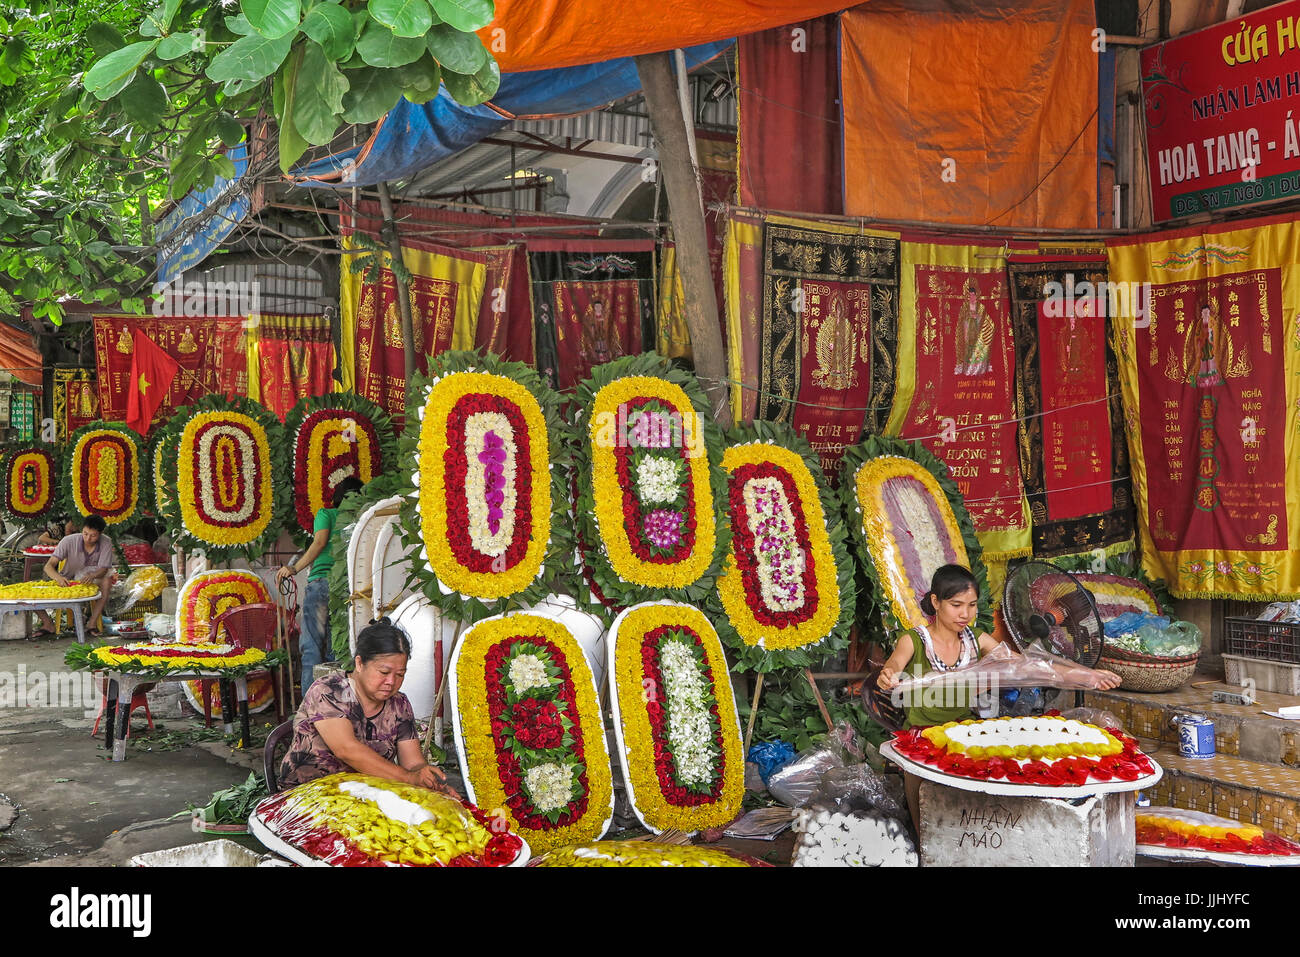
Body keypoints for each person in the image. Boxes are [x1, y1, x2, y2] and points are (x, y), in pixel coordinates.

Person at [877, 564, 1121, 830]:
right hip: (922, 733)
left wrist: (1086, 676)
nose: (965, 614)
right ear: (935, 602)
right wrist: (888, 675)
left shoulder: (976, 639)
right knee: (921, 779)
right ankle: (921, 835)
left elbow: (1027, 667)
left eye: (971, 605)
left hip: (964, 729)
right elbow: (893, 666)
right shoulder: (913, 640)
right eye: (956, 605)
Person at [278, 619, 457, 794]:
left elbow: (412, 764)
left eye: (400, 674)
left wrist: (429, 781)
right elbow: (346, 750)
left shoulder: (399, 704)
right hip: (308, 795)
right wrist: (409, 778)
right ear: (359, 663)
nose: (391, 682)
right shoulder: (329, 690)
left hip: (366, 798)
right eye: (384, 672)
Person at [277, 476, 364, 693]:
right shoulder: (361, 521)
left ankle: (310, 709)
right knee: (339, 650)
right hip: (346, 586)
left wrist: (294, 568)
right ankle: (336, 706)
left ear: (337, 497)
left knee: (312, 648)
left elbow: (319, 542)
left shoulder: (326, 514)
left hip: (321, 584)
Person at [40, 515, 118, 636]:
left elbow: (103, 569)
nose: (88, 538)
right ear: (81, 529)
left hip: (93, 578)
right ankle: (47, 623)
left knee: (107, 581)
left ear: (100, 534)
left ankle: (91, 623)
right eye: (85, 533)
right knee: (31, 594)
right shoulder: (68, 541)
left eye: (93, 535)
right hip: (67, 579)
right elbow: (48, 566)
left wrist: (93, 575)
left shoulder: (106, 541)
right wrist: (59, 578)